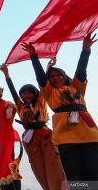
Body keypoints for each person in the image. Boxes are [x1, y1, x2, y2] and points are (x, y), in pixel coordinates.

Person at [22, 32, 98, 181]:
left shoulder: (77, 87)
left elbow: (81, 70)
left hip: (90, 135)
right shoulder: (49, 93)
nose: (55, 78)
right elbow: (40, 77)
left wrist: (86, 50)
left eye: (58, 75)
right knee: (74, 176)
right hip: (66, 138)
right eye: (51, 77)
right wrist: (34, 57)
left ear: (64, 76)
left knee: (94, 173)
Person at [0, 63, 66, 189]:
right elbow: (13, 91)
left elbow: (43, 85)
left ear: (35, 94)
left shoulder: (41, 101)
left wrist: (47, 69)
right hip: (30, 139)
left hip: (45, 134)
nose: (26, 95)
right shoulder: (20, 106)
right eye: (23, 94)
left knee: (53, 165)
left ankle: (58, 187)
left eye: (29, 93)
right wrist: (6, 74)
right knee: (37, 168)